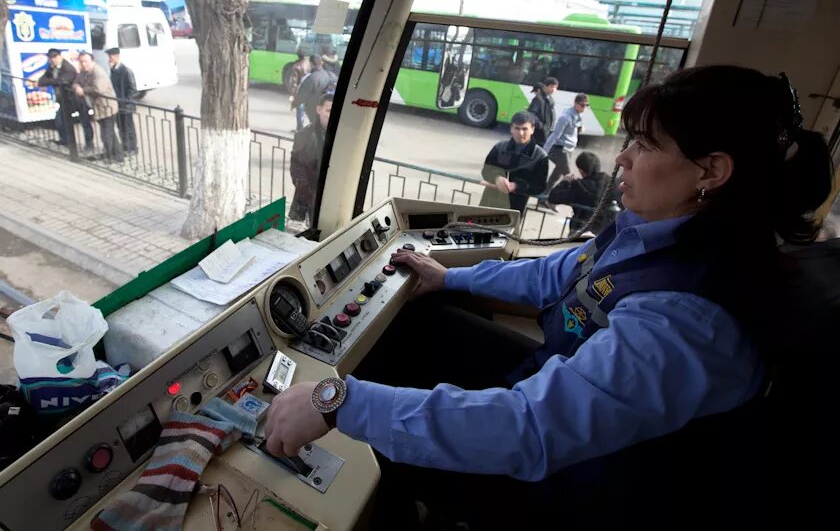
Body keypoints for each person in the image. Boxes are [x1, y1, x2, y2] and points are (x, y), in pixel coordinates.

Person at [262, 66, 834, 528]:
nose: (623, 157)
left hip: (585, 481)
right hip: (560, 376)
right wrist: (450, 277)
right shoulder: (660, 230)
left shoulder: (688, 316)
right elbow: (561, 275)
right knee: (426, 318)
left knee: (379, 453)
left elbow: (530, 428)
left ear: (711, 170)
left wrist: (341, 403)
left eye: (643, 143)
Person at [478, 111, 548, 215]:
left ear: (532, 129)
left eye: (525, 129)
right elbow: (486, 170)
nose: (520, 133)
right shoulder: (499, 147)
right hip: (488, 202)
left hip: (514, 208)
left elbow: (539, 186)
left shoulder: (540, 156)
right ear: (511, 128)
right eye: (517, 128)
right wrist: (497, 178)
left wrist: (516, 185)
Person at [30, 48, 92, 151]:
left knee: (84, 121)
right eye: (51, 58)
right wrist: (44, 82)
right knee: (60, 120)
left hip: (76, 98)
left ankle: (89, 143)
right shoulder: (51, 67)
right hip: (64, 99)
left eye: (55, 57)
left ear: (60, 56)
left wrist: (46, 82)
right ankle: (65, 140)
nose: (53, 60)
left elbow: (62, 81)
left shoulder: (68, 68)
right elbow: (43, 79)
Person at [547, 151, 621, 234]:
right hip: (606, 232)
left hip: (580, 229)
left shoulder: (579, 186)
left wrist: (565, 182)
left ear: (581, 170)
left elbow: (553, 196)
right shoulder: (611, 182)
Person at [289, 93, 333, 223]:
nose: (332, 115)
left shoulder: (342, 135)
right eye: (328, 110)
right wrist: (306, 189)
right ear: (319, 110)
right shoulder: (305, 135)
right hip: (311, 197)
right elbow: (296, 165)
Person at [73, 52, 123, 163]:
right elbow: (76, 81)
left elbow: (99, 89)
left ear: (92, 61)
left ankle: (110, 156)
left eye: (86, 61)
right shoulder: (84, 72)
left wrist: (83, 90)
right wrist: (76, 86)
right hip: (98, 107)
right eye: (81, 62)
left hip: (107, 106)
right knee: (108, 132)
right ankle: (117, 155)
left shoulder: (98, 72)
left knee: (107, 133)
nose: (84, 64)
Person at [542, 93, 588, 203]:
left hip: (569, 149)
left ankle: (544, 197)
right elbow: (555, 135)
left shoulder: (577, 116)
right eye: (582, 105)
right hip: (561, 149)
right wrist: (544, 150)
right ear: (575, 104)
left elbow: (575, 130)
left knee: (556, 175)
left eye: (587, 105)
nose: (584, 108)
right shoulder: (565, 117)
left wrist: (581, 129)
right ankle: (554, 200)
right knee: (569, 177)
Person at [105, 48, 138, 154]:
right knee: (121, 127)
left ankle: (132, 147)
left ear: (116, 56)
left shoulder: (126, 71)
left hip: (125, 105)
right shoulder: (113, 69)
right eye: (109, 56)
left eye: (111, 56)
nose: (109, 58)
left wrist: (126, 101)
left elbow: (133, 89)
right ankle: (125, 146)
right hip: (118, 104)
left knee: (128, 127)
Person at [291, 55, 335, 131]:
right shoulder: (331, 75)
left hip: (316, 109)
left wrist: (294, 104)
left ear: (311, 64)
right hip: (328, 108)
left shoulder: (312, 78)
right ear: (321, 63)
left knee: (318, 129)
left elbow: (302, 95)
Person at [526, 77, 558, 147]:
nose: (553, 90)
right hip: (538, 135)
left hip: (546, 134)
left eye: (555, 87)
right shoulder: (538, 99)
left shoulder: (549, 98)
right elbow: (531, 115)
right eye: (551, 87)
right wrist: (541, 126)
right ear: (545, 86)